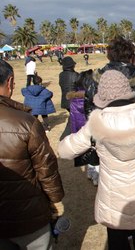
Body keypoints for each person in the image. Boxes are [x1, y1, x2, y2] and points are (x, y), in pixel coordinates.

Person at [58, 70, 135, 250]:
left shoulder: (97, 122)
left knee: (116, 242)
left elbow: (64, 151)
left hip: (113, 199)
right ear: (127, 89)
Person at [0, 59, 65, 250]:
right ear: (10, 82)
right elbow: (46, 169)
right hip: (28, 217)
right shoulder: (26, 123)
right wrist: (55, 199)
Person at [59, 56, 79, 141]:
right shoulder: (76, 75)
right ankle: (64, 137)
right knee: (73, 119)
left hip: (65, 100)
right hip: (74, 101)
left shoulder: (61, 75)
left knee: (73, 117)